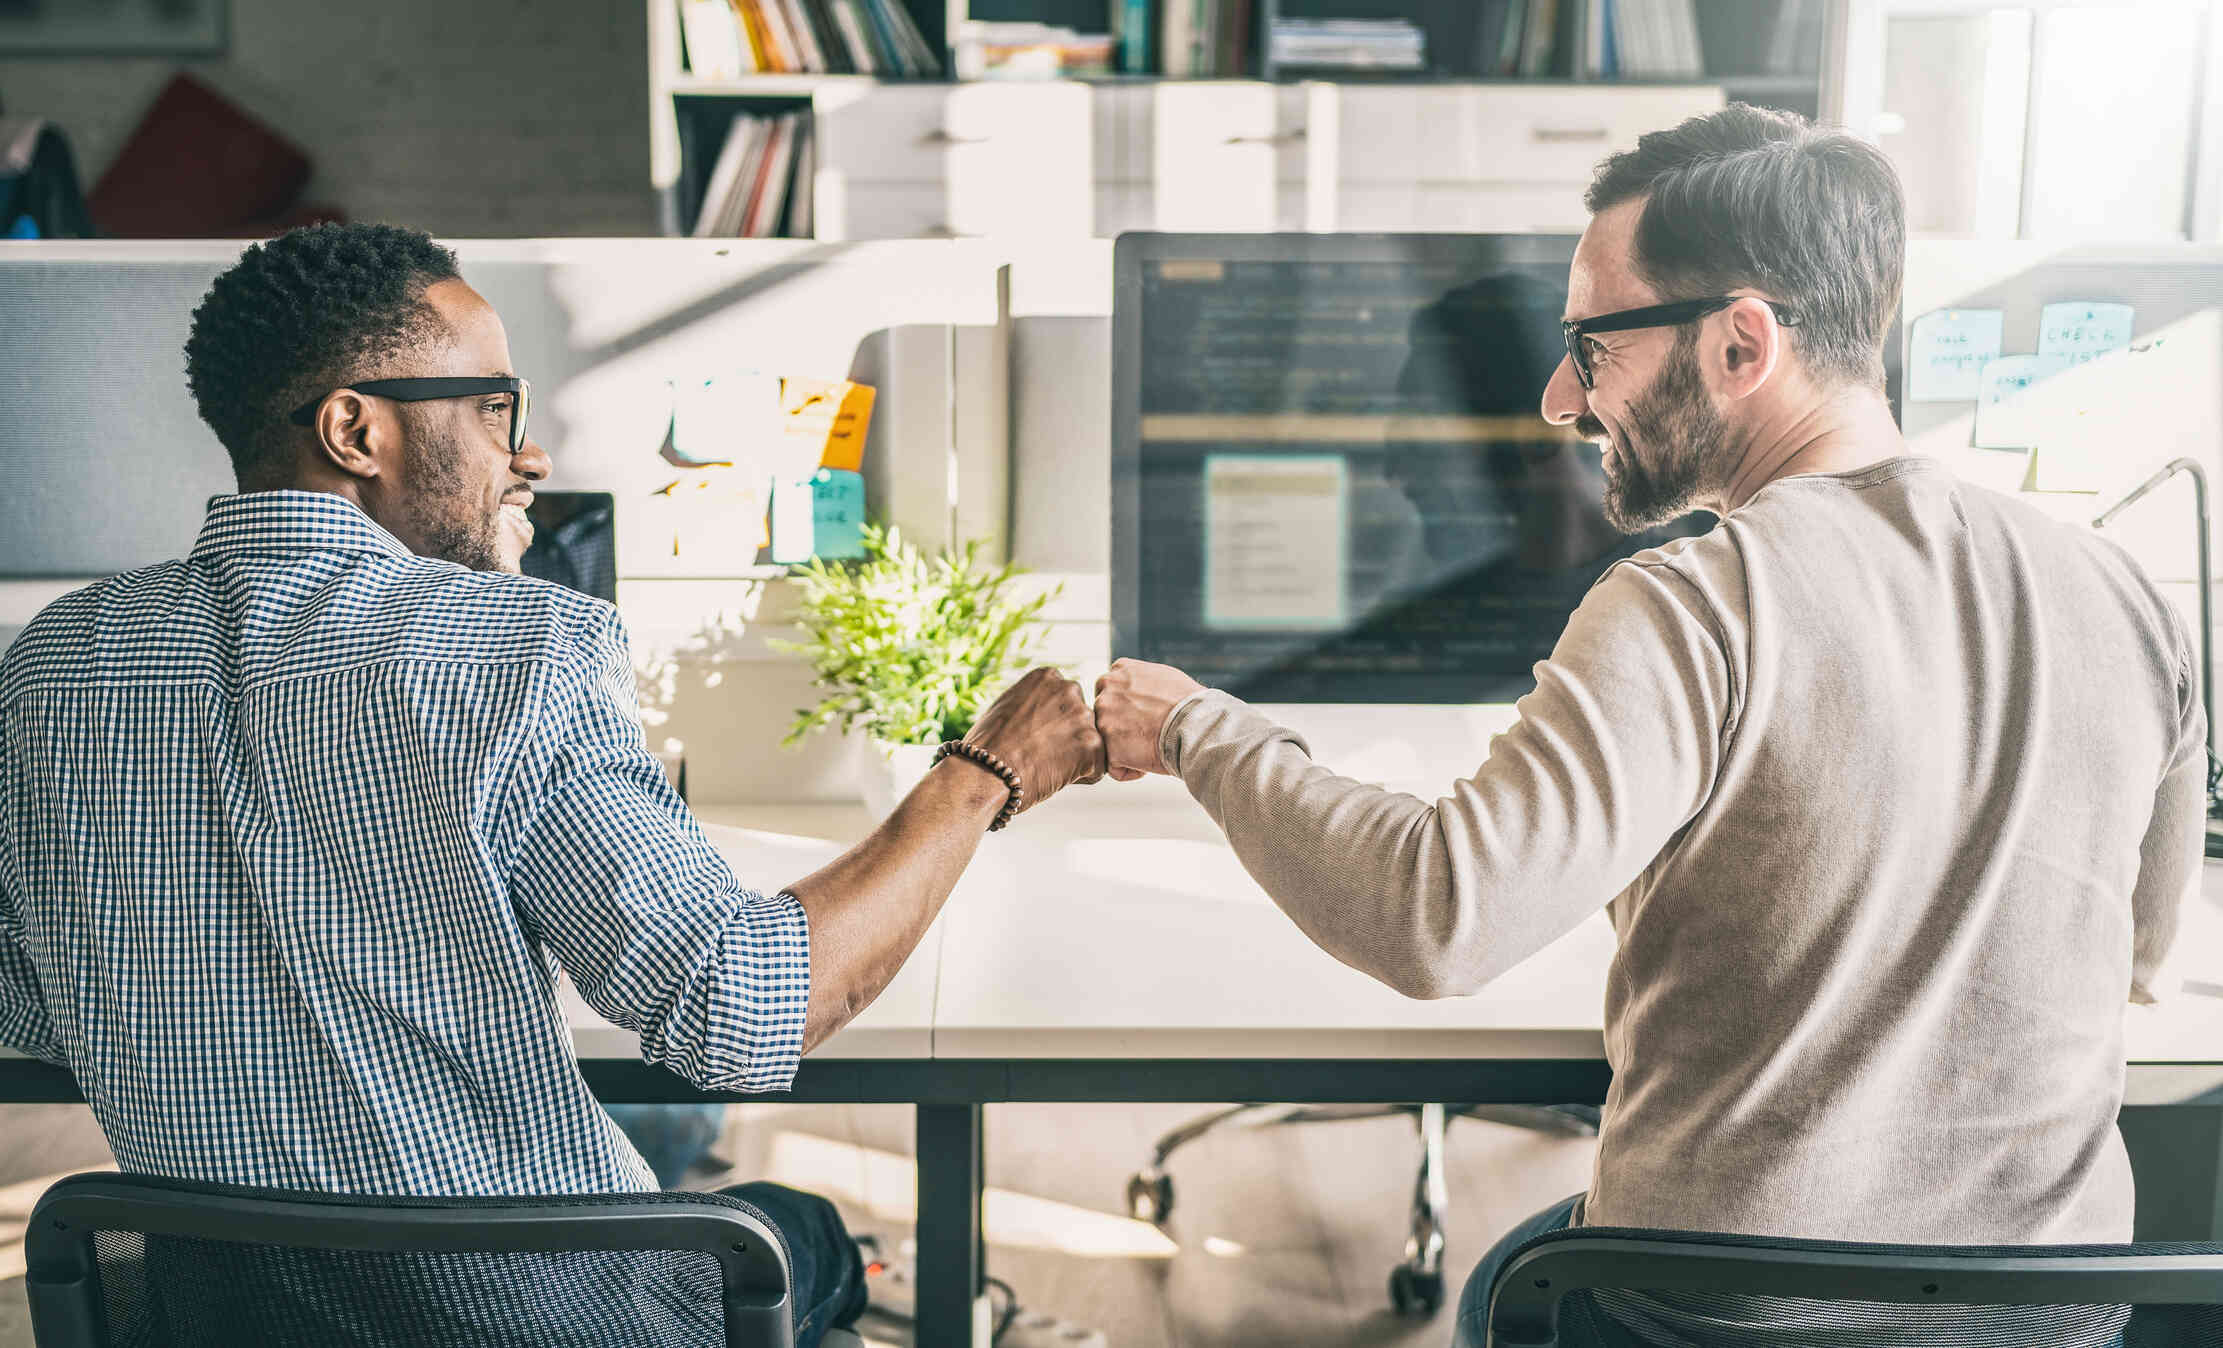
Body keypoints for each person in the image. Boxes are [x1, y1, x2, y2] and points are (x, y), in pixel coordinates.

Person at [1094, 105, 2203, 1345]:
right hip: (2052, 1319)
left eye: (1592, 344)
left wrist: (1195, 726)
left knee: (1508, 1282)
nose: (1565, 397)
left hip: (1725, 1314)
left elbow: (1437, 915)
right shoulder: (2125, 595)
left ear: (1742, 343)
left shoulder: (1696, 604)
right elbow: (2143, 955)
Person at [0, 222, 1106, 1348]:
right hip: (536, 1323)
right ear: (353, 429)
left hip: (227, 1315)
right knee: (799, 1228)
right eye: (496, 411)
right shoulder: (517, 644)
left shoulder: (54, 661)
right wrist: (981, 775)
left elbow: (26, 1005)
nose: (527, 457)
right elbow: (741, 1008)